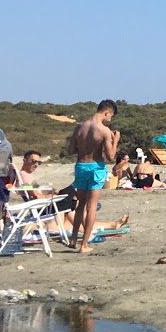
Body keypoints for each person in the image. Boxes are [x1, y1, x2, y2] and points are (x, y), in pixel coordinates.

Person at [65, 100, 119, 254]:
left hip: (81, 166)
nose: (110, 119)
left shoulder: (79, 127)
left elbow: (70, 150)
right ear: (107, 112)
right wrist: (115, 141)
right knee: (92, 206)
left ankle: (74, 240)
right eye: (111, 116)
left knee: (80, 204)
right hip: (95, 167)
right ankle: (84, 245)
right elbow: (110, 156)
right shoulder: (104, 130)